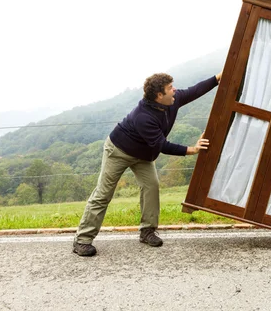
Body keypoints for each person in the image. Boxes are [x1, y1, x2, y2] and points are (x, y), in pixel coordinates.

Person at [73, 72, 222, 256]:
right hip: (118, 152)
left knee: (151, 186)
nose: (174, 90)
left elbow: (194, 91)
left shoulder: (172, 100)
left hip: (143, 155)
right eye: (170, 88)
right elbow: (162, 145)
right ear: (159, 95)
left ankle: (147, 231)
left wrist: (217, 78)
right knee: (103, 194)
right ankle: (82, 240)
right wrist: (193, 149)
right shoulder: (143, 116)